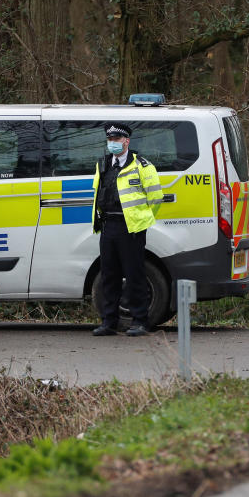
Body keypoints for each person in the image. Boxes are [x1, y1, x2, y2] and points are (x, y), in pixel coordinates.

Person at [91, 122, 163, 337]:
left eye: (116, 139)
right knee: (109, 276)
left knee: (135, 276)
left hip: (131, 228)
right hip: (108, 226)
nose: (112, 143)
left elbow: (156, 198)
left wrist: (141, 222)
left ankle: (140, 321)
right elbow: (98, 193)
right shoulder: (103, 164)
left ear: (126, 141)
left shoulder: (142, 166)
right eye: (109, 140)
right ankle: (109, 322)